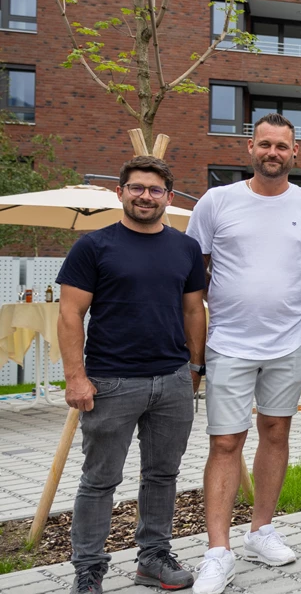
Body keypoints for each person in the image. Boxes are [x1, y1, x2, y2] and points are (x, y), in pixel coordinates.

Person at [188, 113, 301, 594]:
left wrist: (291, 296)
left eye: (282, 146)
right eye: (265, 144)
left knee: (276, 433)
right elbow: (195, 267)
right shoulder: (217, 201)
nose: (274, 152)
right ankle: (218, 552)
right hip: (228, 342)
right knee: (225, 442)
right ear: (250, 148)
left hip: (288, 342)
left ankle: (261, 530)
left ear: (296, 153)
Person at [58, 157, 206, 594]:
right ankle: (88, 570)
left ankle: (153, 558)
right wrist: (75, 377)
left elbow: (193, 310)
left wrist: (194, 368)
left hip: (172, 379)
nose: (146, 196)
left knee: (162, 475)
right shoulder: (93, 246)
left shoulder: (185, 248)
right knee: (99, 480)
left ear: (168, 197)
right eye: (137, 188)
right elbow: (70, 314)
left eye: (155, 190)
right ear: (120, 192)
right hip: (112, 381)